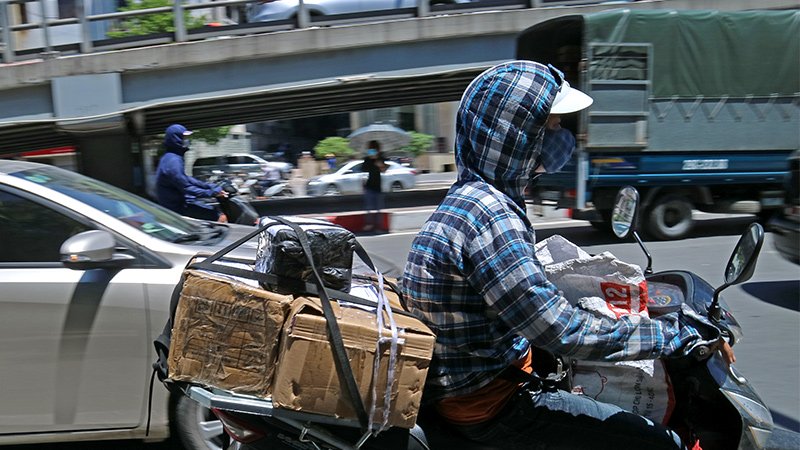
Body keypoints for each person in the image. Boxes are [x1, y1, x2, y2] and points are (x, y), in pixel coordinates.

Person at [401, 61, 731, 449]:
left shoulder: (470, 199)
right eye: (553, 126)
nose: (563, 136)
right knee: (659, 443)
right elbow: (562, 331)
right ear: (516, 134)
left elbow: (521, 297)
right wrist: (676, 337)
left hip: (476, 380)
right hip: (493, 404)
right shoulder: (490, 216)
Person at [155, 124, 228, 222]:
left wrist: (209, 186)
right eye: (184, 137)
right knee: (220, 217)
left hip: (180, 202)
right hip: (177, 207)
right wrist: (212, 193)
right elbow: (186, 187)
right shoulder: (173, 161)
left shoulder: (172, 157)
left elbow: (187, 179)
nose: (187, 140)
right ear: (176, 139)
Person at [362, 140, 387, 232]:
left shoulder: (380, 158)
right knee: (369, 208)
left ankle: (378, 227)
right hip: (369, 186)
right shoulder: (367, 159)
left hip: (378, 186)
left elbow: (384, 170)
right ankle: (369, 225)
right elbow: (363, 168)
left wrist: (379, 163)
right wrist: (370, 160)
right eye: (371, 149)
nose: (372, 150)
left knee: (378, 209)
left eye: (374, 149)